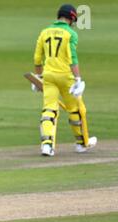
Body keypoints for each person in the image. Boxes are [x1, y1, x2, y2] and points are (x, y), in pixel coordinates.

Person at [32, 4, 97, 157]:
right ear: (72, 18)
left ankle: (47, 146)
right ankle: (81, 143)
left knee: (49, 110)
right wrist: (78, 79)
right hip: (66, 77)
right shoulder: (71, 34)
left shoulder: (44, 32)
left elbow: (37, 58)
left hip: (48, 76)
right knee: (76, 110)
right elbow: (72, 58)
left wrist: (38, 77)